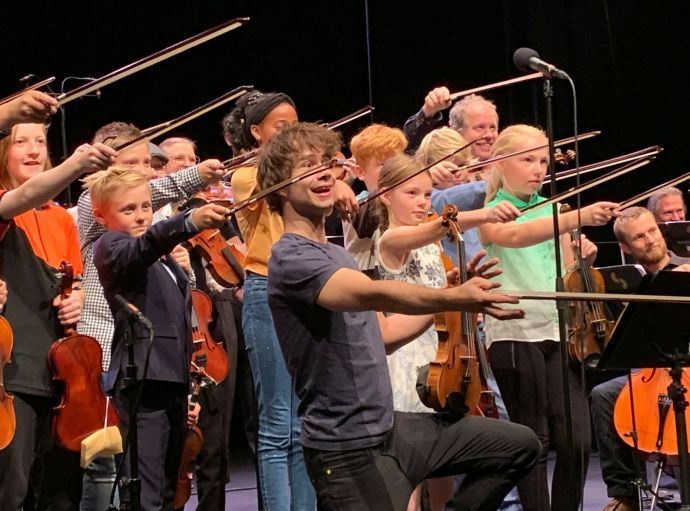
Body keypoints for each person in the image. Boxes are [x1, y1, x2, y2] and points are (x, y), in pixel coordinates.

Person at [259, 121, 541, 511]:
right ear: (279, 186)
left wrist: (449, 299)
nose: (323, 172)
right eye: (307, 166)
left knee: (518, 445)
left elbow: (385, 334)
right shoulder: (291, 258)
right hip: (347, 447)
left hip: (391, 429)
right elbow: (369, 292)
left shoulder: (337, 253)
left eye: (326, 162)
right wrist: (448, 293)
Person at [76, 121, 225, 511]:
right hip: (144, 378)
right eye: (129, 209)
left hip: (171, 377)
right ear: (102, 215)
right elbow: (138, 250)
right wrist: (186, 223)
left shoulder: (162, 258)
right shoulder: (111, 245)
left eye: (145, 207)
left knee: (164, 488)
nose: (142, 215)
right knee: (145, 490)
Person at [477, 124, 619, 511]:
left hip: (561, 332)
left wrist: (581, 257)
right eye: (527, 159)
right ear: (500, 163)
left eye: (542, 160)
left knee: (577, 440)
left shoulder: (554, 209)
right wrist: (577, 218)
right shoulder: (490, 211)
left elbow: (568, 271)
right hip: (514, 330)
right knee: (534, 442)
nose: (538, 168)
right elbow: (515, 237)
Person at [374, 153, 519, 510]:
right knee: (410, 472)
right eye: (411, 193)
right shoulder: (389, 239)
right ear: (385, 195)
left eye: (426, 194)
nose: (422, 203)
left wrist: (455, 281)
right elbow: (431, 231)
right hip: (408, 362)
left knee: (442, 470)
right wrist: (484, 214)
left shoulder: (432, 244)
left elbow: (433, 284)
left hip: (440, 356)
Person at [0, 122, 115, 510]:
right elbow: (24, 196)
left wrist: (78, 297)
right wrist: (77, 163)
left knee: (58, 491)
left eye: (40, 142)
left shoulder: (61, 219)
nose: (33, 150)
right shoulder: (5, 205)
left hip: (60, 371)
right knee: (13, 489)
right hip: (15, 368)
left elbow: (74, 279)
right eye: (20, 142)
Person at [227, 90, 318, 510]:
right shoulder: (246, 175)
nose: (291, 133)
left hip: (309, 291)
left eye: (295, 125)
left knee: (304, 420)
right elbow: (278, 187)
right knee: (277, 421)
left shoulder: (305, 173)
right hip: (267, 290)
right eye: (281, 128)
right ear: (256, 131)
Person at [591, 205, 690, 511]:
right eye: (639, 237)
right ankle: (625, 493)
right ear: (625, 247)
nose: (650, 240)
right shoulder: (622, 284)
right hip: (651, 370)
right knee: (603, 394)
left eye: (652, 231)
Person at [343, 123, 408, 271]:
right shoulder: (356, 204)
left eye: (397, 162)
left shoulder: (406, 199)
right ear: (359, 172)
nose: (394, 170)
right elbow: (377, 201)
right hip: (369, 284)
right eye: (383, 164)